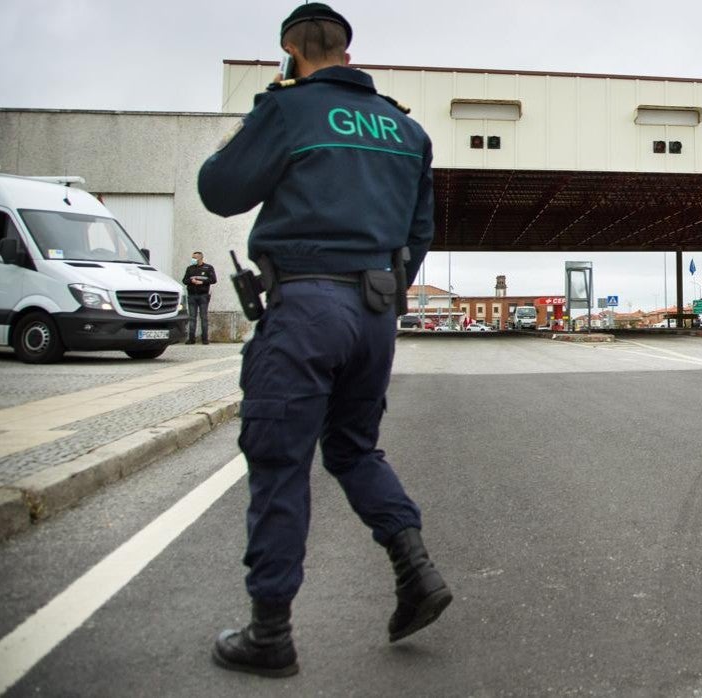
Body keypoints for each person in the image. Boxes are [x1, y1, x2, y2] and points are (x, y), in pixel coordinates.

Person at [197, 3, 448, 678]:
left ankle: (269, 634)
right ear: (346, 52)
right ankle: (415, 568)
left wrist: (264, 110)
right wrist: (384, 297)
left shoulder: (288, 111)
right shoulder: (407, 129)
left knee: (279, 459)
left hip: (305, 307)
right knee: (354, 448)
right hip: (373, 315)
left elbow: (219, 190)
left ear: (291, 49)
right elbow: (419, 234)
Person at [182, 251, 216, 344]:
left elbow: (213, 280)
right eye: (192, 257)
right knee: (192, 317)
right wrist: (190, 280)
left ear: (200, 258)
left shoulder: (208, 268)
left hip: (203, 295)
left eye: (195, 258)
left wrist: (202, 282)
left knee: (203, 317)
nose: (193, 259)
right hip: (192, 295)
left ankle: (205, 339)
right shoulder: (189, 268)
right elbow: (184, 280)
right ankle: (191, 339)